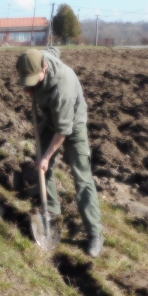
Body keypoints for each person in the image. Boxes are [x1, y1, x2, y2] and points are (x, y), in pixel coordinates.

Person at [16, 47, 104, 257]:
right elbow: (54, 48)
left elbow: (64, 130)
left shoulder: (63, 88)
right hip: (50, 120)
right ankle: (51, 211)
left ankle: (95, 233)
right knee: (42, 168)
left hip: (72, 124)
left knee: (81, 175)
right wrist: (32, 88)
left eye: (33, 79)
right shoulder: (39, 58)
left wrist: (47, 156)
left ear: (45, 68)